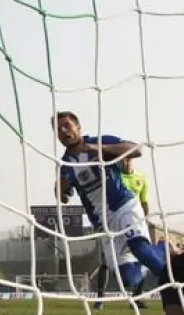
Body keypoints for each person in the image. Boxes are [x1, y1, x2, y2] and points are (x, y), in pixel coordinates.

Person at [54, 111, 167, 304]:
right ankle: (163, 249)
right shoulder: (64, 165)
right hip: (104, 223)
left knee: (139, 248)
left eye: (67, 125)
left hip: (123, 204)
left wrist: (103, 149)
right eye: (59, 129)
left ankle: (179, 292)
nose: (64, 131)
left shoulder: (100, 141)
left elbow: (136, 149)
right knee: (128, 279)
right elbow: (63, 195)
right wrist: (60, 191)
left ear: (78, 127)